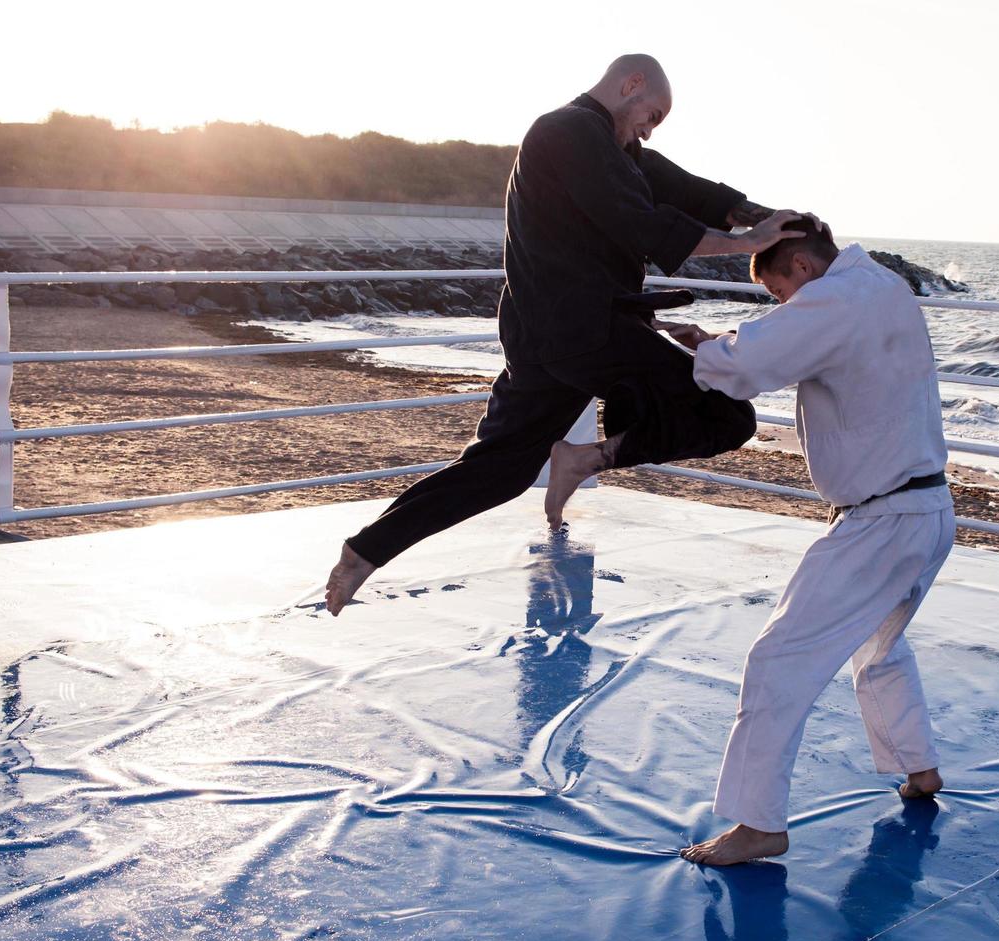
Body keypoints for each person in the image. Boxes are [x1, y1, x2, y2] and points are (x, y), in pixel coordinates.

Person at [323, 54, 811, 615]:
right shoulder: (568, 132)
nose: (649, 129)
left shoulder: (612, 147)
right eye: (652, 114)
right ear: (631, 85)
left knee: (501, 470)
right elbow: (640, 223)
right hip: (583, 330)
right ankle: (585, 459)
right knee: (728, 415)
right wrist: (748, 245)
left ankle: (365, 551)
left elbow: (687, 189)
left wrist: (769, 217)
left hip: (548, 337)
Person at [677, 220, 955, 866]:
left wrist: (704, 352)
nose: (784, 306)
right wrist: (715, 344)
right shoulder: (881, 285)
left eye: (779, 293)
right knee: (879, 646)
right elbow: (787, 346)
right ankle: (920, 768)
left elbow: (753, 363)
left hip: (880, 523)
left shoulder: (834, 299)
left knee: (779, 658)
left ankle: (757, 824)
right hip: (928, 509)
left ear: (801, 266)